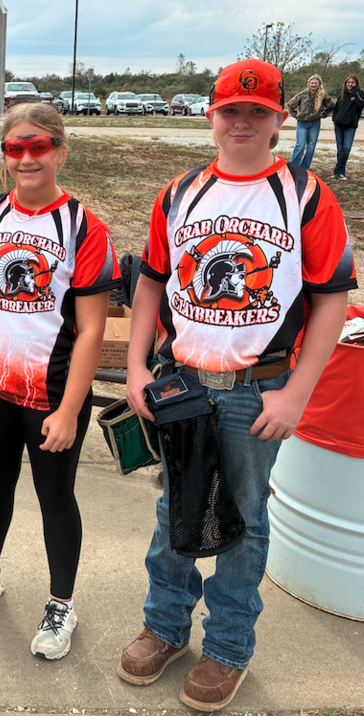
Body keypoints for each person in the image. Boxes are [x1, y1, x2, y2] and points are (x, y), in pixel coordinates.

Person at [118, 59, 355, 711]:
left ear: (281, 119)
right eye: (231, 110)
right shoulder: (180, 192)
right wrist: (138, 366)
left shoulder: (307, 197)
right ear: (211, 117)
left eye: (257, 111)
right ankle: (164, 623)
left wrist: (299, 392)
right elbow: (149, 285)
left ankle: (227, 645)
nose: (243, 121)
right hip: (186, 381)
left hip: (259, 386)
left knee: (243, 519)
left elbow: (333, 299)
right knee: (175, 509)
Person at [0, 103, 120, 659]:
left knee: (55, 498)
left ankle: (61, 603)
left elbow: (92, 329)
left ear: (60, 152)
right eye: (15, 148)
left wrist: (70, 410)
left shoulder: (85, 226)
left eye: (39, 146)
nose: (27, 158)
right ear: (4, 155)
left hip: (55, 392)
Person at [288, 73, 334, 169]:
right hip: (302, 123)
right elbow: (290, 105)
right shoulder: (302, 94)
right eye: (312, 83)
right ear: (309, 84)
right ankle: (293, 167)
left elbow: (332, 106)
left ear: (319, 84)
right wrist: (295, 115)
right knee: (300, 146)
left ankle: (304, 168)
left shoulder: (323, 95)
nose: (313, 85)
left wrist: (324, 114)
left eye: (316, 83)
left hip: (315, 123)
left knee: (311, 147)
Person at [332, 74, 364, 179]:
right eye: (348, 82)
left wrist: (355, 91)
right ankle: (339, 172)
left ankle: (338, 171)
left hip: (350, 126)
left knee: (346, 148)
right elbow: (336, 109)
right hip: (339, 126)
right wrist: (335, 118)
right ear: (345, 84)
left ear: (356, 84)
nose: (350, 84)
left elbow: (360, 104)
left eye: (352, 82)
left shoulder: (360, 94)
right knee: (340, 149)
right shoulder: (341, 96)